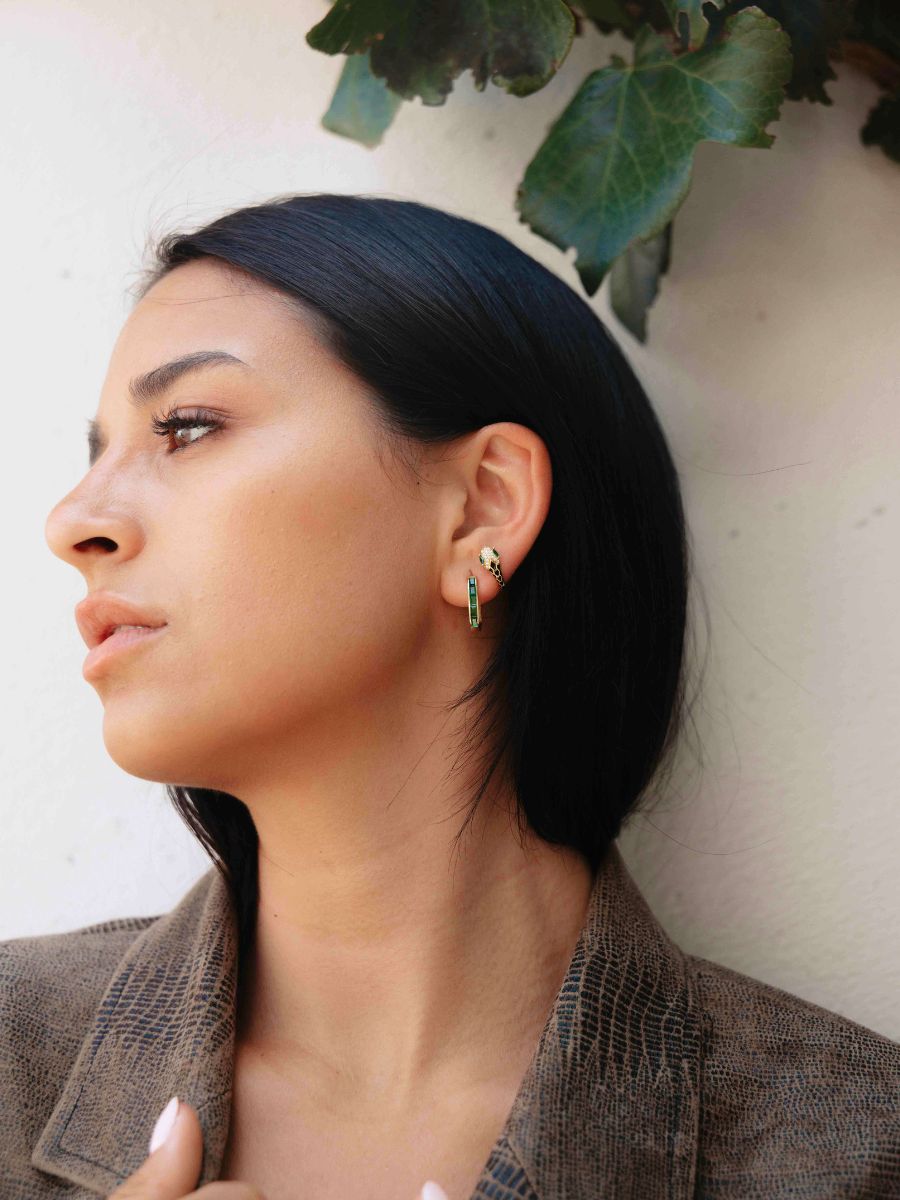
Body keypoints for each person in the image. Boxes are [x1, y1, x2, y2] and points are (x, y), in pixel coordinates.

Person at [3, 193, 897, 1200]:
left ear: (484, 508)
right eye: (98, 455)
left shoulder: (856, 1154)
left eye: (189, 427)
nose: (72, 522)